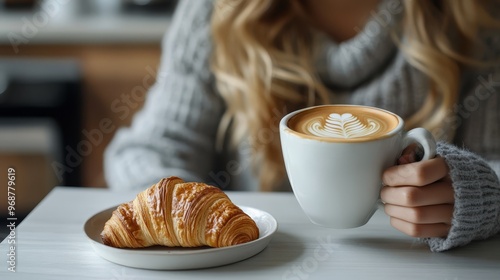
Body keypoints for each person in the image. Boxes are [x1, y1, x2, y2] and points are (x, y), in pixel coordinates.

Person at [104, 0, 500, 252]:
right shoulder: (216, 10)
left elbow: (494, 173)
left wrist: (482, 198)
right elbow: (150, 150)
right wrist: (185, 219)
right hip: (257, 264)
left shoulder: (474, 16)